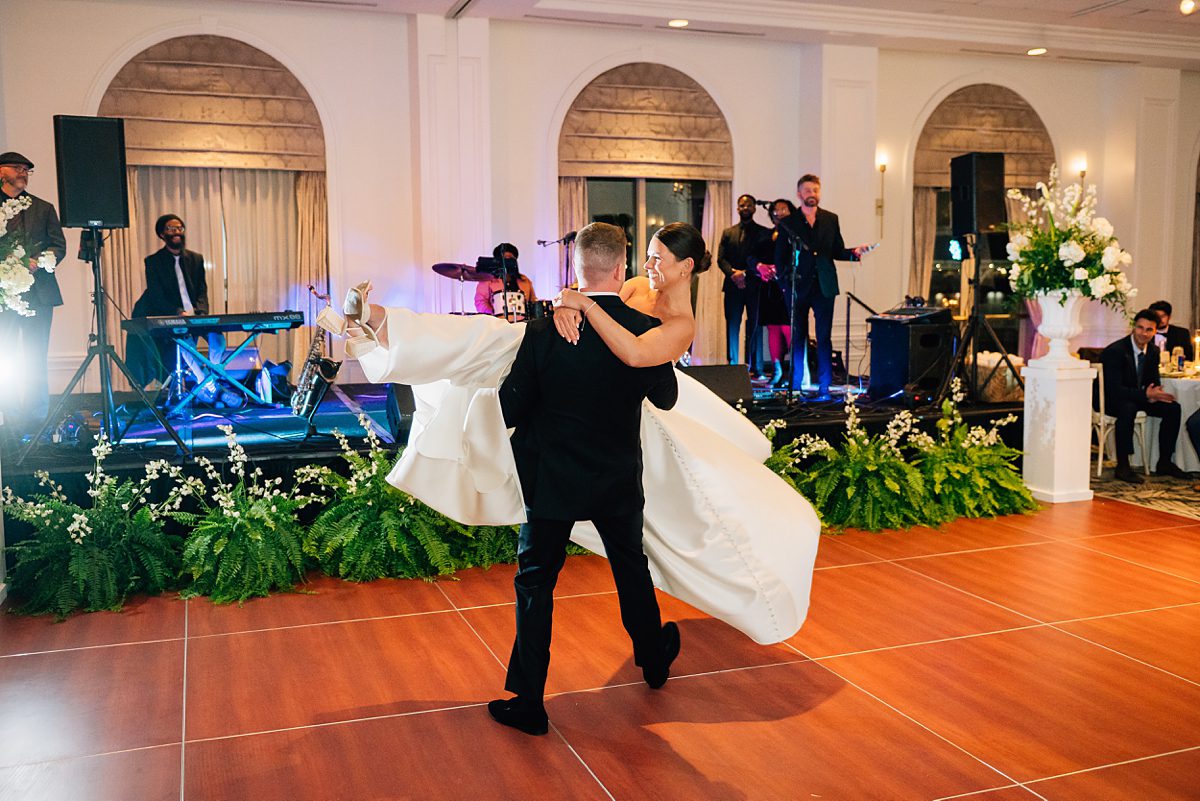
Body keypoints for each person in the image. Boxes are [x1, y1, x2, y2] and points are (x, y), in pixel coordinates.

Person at [344, 222, 819, 654]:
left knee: (649, 542)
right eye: (645, 256)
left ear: (685, 267)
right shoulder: (635, 288)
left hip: (638, 414)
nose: (648, 266)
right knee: (488, 340)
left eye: (658, 259)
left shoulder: (680, 325)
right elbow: (600, 291)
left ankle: (386, 328)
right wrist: (568, 303)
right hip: (609, 417)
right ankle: (382, 322)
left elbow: (636, 353)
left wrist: (581, 306)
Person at [487, 222, 681, 735]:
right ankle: (653, 662)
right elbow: (666, 398)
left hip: (551, 478)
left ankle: (530, 701)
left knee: (535, 582)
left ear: (575, 269)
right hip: (615, 476)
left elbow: (509, 409)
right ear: (620, 269)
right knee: (630, 569)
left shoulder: (543, 330)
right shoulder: (642, 329)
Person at [774, 174, 872, 399]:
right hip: (797, 286)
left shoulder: (831, 219)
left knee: (824, 336)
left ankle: (824, 387)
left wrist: (855, 253)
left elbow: (836, 250)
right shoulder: (788, 223)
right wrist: (785, 285)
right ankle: (796, 386)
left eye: (815, 190)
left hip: (824, 286)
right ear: (799, 194)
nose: (812, 194)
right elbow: (780, 258)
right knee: (798, 337)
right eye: (808, 190)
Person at [0, 151, 66, 429]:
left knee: (36, 355)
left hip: (38, 294)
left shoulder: (43, 208)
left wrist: (37, 262)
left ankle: (37, 419)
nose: (23, 172)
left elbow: (58, 246)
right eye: (17, 167)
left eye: (26, 169)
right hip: (3, 296)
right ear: (1, 172)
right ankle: (10, 419)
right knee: (4, 355)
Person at [1099, 309, 1188, 483]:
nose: (1144, 333)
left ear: (1155, 332)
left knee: (1173, 408)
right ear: (1133, 327)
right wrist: (1145, 394)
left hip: (1138, 397)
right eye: (1140, 328)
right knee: (1127, 408)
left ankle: (1164, 462)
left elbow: (1152, 381)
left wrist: (1155, 394)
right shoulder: (1116, 351)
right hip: (1114, 399)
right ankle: (1123, 466)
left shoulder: (1153, 351)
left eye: (1149, 330)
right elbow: (1114, 389)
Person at [127, 214, 210, 389]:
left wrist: (201, 313)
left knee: (219, 342)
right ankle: (207, 384)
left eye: (179, 228)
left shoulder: (196, 259)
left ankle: (214, 377)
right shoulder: (153, 262)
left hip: (196, 316)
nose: (177, 232)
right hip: (172, 316)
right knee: (185, 346)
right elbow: (156, 296)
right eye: (171, 229)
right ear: (162, 234)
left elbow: (202, 291)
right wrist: (178, 312)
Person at [717, 194, 769, 371]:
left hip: (755, 286)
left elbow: (763, 259)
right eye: (742, 205)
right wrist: (733, 274)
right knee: (732, 327)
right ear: (737, 208)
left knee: (755, 326)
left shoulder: (764, 233)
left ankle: (756, 367)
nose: (745, 208)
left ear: (754, 208)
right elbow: (721, 259)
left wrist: (745, 274)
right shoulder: (728, 233)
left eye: (748, 205)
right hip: (732, 287)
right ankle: (733, 367)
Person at [755, 199, 797, 387]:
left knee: (788, 328)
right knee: (772, 328)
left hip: (788, 285)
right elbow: (752, 256)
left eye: (783, 209)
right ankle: (777, 370)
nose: (779, 213)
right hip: (770, 288)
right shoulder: (767, 235)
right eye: (776, 210)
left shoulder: (796, 236)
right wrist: (762, 267)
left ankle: (794, 372)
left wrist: (780, 269)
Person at [474, 242, 537, 316]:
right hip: (496, 321)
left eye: (510, 259)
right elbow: (480, 302)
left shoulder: (524, 280)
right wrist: (493, 314)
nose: (507, 262)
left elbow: (533, 301)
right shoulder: (488, 280)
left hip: (522, 321)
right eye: (505, 259)